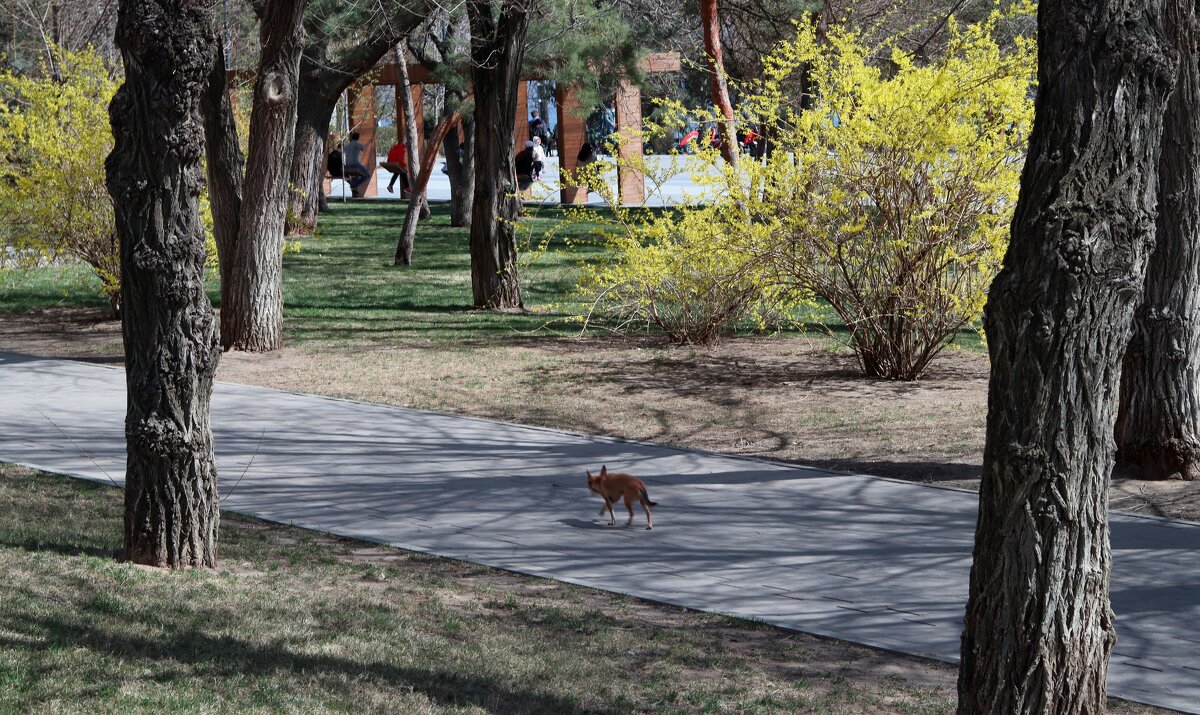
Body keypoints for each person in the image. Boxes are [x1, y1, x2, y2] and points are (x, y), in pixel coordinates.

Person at [343, 131, 370, 197]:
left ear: (351, 138)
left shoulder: (347, 145)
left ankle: (354, 190)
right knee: (367, 175)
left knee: (356, 175)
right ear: (358, 138)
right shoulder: (357, 144)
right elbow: (363, 148)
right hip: (355, 164)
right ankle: (354, 184)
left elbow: (343, 149)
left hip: (347, 165)